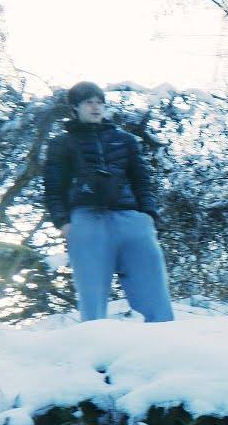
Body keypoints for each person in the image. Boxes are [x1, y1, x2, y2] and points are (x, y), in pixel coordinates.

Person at [42, 81, 174, 323]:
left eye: (99, 102)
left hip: (131, 220)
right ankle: (96, 355)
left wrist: (149, 215)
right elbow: (53, 188)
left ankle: (165, 349)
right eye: (88, 102)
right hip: (87, 221)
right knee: (92, 304)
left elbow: (141, 181)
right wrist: (63, 223)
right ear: (75, 107)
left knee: (155, 296)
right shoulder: (61, 143)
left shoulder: (125, 140)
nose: (95, 107)